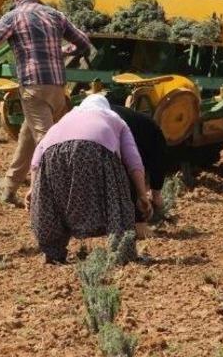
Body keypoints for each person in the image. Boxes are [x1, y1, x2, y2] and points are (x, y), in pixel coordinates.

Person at [0, 0, 92, 205]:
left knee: (47, 142)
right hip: (58, 88)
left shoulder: (13, 17)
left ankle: (55, 198)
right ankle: (9, 188)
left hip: (33, 87)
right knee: (27, 137)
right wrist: (63, 51)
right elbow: (83, 42)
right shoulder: (56, 15)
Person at [27, 94, 152, 264]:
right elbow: (133, 161)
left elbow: (36, 161)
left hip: (53, 155)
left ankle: (53, 254)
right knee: (119, 195)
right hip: (96, 151)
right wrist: (142, 194)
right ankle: (123, 253)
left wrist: (34, 189)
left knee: (50, 203)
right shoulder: (115, 119)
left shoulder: (66, 118)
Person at [109, 104, 167, 229]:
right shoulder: (155, 136)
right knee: (131, 174)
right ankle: (139, 224)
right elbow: (156, 165)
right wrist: (156, 196)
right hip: (119, 126)